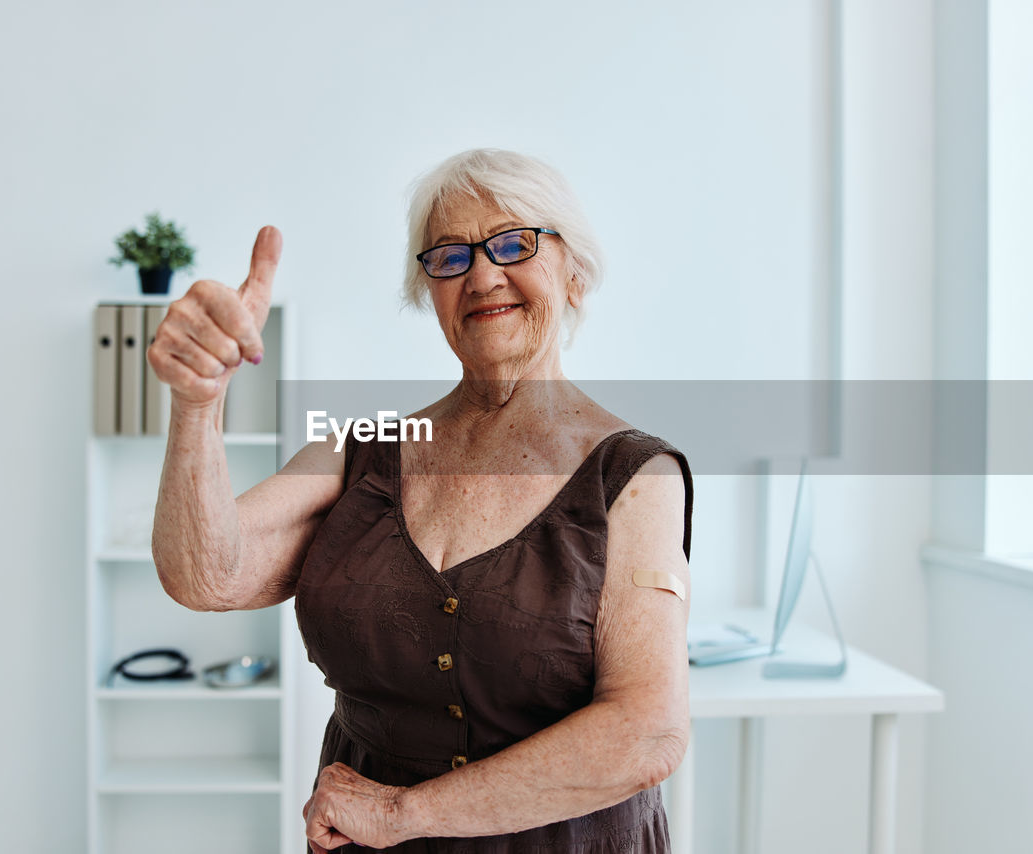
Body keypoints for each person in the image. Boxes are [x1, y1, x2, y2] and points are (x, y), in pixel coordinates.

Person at [148, 148, 694, 852]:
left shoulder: (635, 475)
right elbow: (204, 574)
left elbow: (646, 732)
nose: (483, 274)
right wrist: (197, 406)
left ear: (575, 274)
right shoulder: (362, 453)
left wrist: (404, 815)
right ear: (427, 288)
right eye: (449, 256)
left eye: (514, 243)